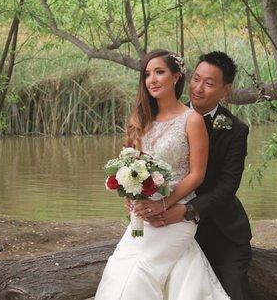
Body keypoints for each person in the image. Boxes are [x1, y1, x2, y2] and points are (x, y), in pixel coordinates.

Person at [95, 50, 229, 300]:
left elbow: (197, 175)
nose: (152, 80)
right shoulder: (141, 119)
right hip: (143, 215)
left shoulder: (192, 120)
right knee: (119, 267)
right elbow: (131, 167)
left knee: (138, 273)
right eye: (147, 74)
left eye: (159, 72)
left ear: (176, 76)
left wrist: (163, 204)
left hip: (177, 214)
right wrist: (130, 195)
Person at [141, 51, 253, 300]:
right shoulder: (167, 116)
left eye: (209, 83)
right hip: (166, 223)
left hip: (218, 229)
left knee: (235, 291)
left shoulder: (235, 130)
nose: (198, 88)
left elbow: (227, 186)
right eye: (196, 79)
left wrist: (187, 210)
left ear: (225, 90)